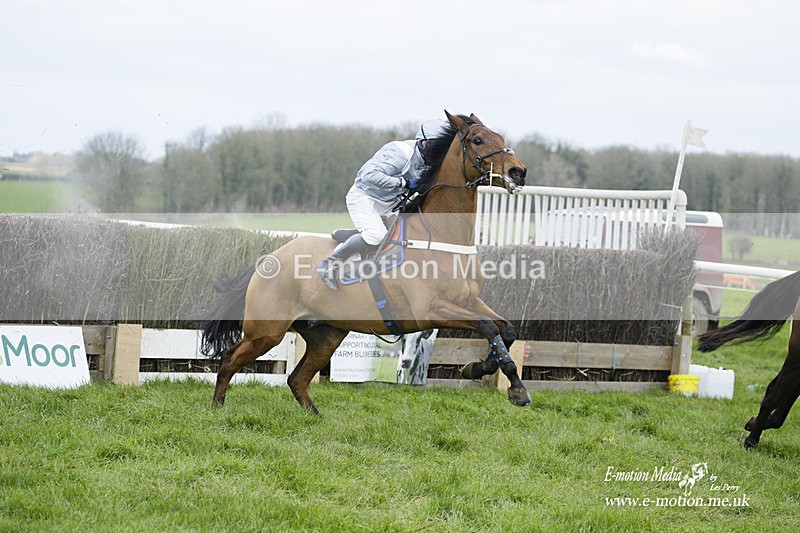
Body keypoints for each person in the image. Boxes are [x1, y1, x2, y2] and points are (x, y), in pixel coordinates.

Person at [316, 117, 453, 290]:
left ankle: (356, 235)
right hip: (365, 197)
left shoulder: (429, 160)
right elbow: (368, 175)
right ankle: (329, 263)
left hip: (390, 205)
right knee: (376, 235)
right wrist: (402, 183)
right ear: (425, 143)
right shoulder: (400, 152)